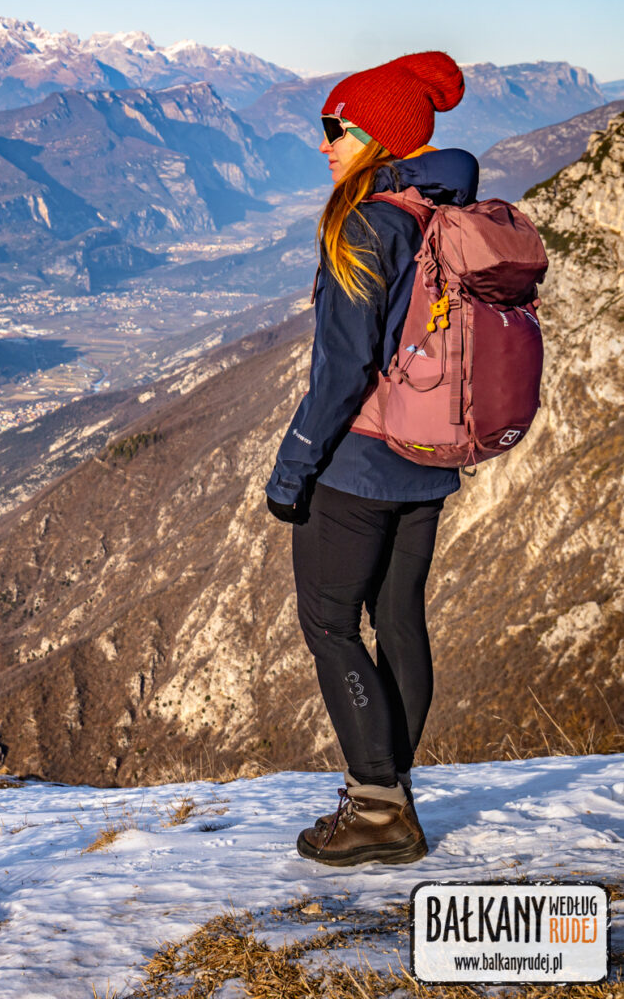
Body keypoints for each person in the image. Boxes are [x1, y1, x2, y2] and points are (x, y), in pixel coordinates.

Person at [263, 51, 476, 866]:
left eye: (335, 127)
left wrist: (293, 472)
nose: (323, 144)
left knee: (328, 623)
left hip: (357, 465)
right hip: (427, 460)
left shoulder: (363, 223)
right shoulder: (440, 211)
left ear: (376, 135)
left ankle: (379, 809)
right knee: (397, 621)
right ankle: (391, 789)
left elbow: (343, 370)